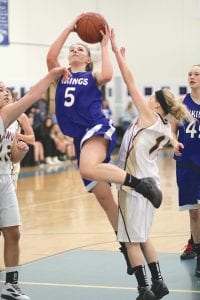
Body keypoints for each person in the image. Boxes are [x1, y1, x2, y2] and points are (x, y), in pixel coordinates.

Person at [46, 15, 163, 278]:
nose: (74, 50)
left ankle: (141, 184)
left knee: (89, 167)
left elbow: (109, 74)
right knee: (106, 201)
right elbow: (50, 57)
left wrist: (103, 44)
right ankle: (126, 250)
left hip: (96, 129)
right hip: (79, 139)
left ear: (87, 59)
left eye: (80, 49)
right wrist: (69, 28)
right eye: (72, 49)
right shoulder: (60, 76)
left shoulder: (91, 77)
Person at [110, 29, 193, 300]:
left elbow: (131, 81)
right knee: (143, 236)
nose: (145, 99)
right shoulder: (167, 124)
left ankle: (143, 290)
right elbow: (173, 142)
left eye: (151, 99)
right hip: (151, 182)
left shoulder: (149, 116)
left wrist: (117, 56)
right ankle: (158, 283)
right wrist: (176, 144)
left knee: (130, 239)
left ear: (156, 104)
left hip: (136, 185)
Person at [0, 66, 67, 300]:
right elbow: (32, 96)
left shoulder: (11, 124)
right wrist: (52, 76)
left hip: (5, 178)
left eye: (7, 90)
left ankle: (11, 285)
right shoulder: (3, 116)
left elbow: (11, 157)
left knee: (13, 232)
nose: (6, 93)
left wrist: (19, 152)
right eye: (0, 90)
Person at [171, 64, 200, 276]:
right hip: (187, 163)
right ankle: (198, 252)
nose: (192, 77)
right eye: (189, 74)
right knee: (195, 212)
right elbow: (171, 130)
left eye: (196, 74)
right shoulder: (181, 103)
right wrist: (173, 141)